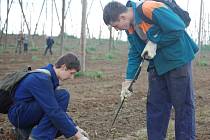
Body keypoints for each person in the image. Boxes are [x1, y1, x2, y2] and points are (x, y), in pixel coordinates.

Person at [103, 1, 198, 140]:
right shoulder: (130, 28)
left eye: (116, 26)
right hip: (157, 65)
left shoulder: (149, 8)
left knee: (182, 106)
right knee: (155, 107)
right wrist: (128, 81)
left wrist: (155, 42)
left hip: (177, 61)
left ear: (122, 17)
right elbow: (135, 53)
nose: (117, 29)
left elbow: (178, 28)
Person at [8, 53, 89, 140]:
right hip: (19, 115)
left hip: (25, 113)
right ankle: (39, 137)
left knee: (62, 125)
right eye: (71, 73)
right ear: (64, 67)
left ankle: (24, 132)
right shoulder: (41, 79)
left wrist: (75, 127)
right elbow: (53, 110)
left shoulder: (47, 76)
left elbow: (57, 109)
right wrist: (78, 136)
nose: (72, 77)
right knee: (62, 97)